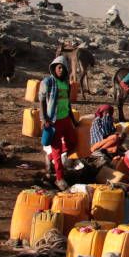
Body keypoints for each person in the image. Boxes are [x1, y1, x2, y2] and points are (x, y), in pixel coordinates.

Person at [39, 55, 78, 190]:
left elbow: (68, 103)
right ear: (54, 69)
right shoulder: (48, 82)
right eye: (59, 67)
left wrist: (74, 120)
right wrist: (44, 119)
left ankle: (50, 157)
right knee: (57, 149)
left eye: (63, 68)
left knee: (73, 142)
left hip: (66, 119)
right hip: (54, 121)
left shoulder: (66, 84)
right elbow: (42, 101)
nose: (61, 70)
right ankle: (59, 178)